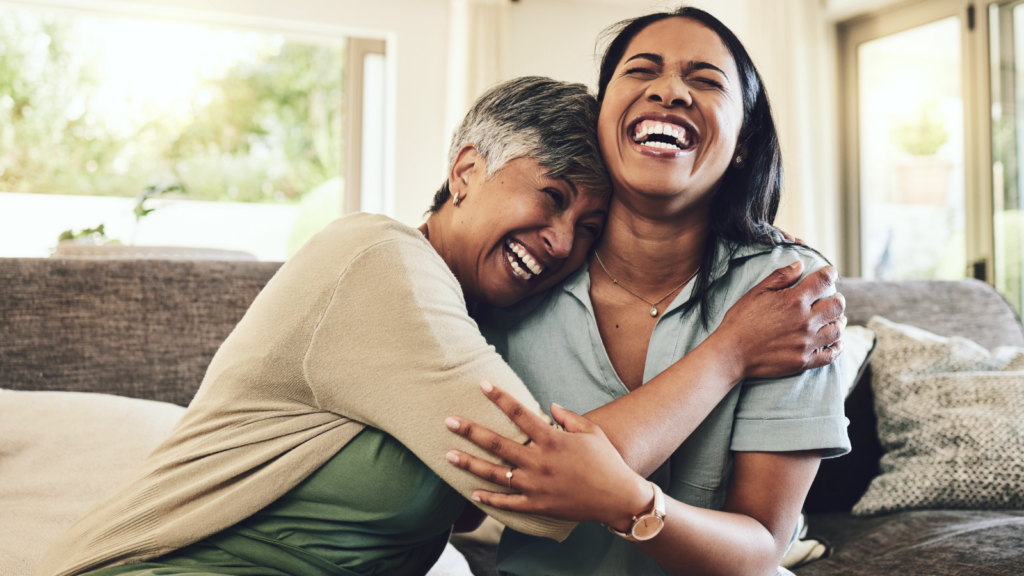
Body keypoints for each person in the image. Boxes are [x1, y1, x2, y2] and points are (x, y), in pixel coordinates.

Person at [33, 76, 841, 576]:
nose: (561, 241)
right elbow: (537, 486)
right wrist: (731, 348)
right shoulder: (378, 259)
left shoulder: (479, 322)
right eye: (550, 197)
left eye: (588, 227)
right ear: (465, 171)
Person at [445, 7, 851, 576]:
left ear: (742, 141)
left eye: (706, 80)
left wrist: (634, 504)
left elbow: (762, 545)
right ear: (601, 115)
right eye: (641, 71)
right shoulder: (521, 270)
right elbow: (465, 498)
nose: (670, 91)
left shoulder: (785, 293)